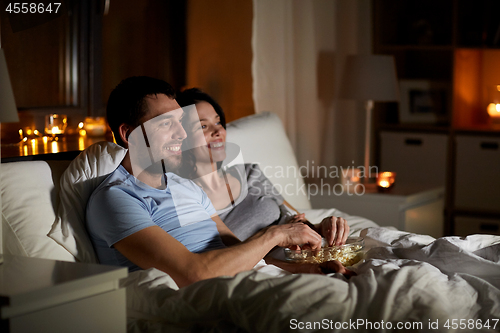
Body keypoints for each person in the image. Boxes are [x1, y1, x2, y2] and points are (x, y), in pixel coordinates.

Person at [85, 76, 349, 289]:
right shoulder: (116, 198)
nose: (182, 133)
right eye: (167, 124)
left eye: (180, 122)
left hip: (242, 280)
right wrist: (276, 234)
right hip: (201, 296)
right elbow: (194, 273)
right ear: (128, 133)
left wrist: (307, 270)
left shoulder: (183, 186)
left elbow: (239, 251)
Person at [176, 88, 350, 248]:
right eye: (203, 126)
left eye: (218, 122)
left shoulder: (249, 173)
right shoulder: (186, 199)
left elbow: (299, 221)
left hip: (302, 255)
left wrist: (325, 227)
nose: (218, 132)